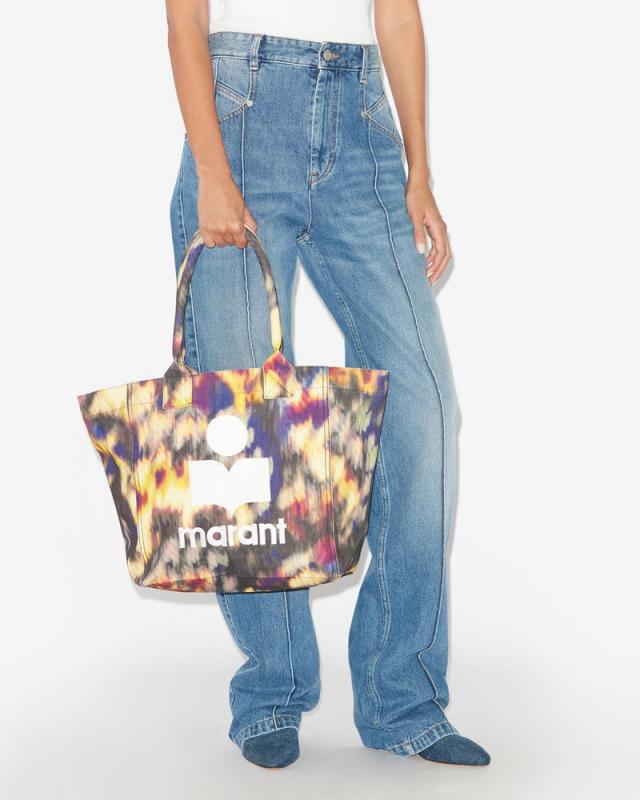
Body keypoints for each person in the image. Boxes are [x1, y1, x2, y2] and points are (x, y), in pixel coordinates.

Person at [166, 0, 490, 768]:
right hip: (241, 115)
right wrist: (211, 170)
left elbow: (397, 16)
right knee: (248, 436)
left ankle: (402, 699)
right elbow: (184, 19)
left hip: (363, 125)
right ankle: (272, 692)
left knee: (423, 410)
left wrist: (420, 172)